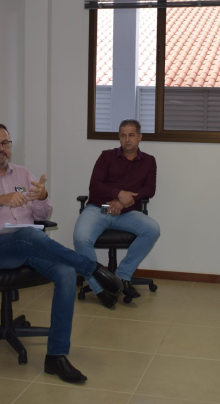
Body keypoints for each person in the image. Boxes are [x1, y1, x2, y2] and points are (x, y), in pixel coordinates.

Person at [0, 122, 122, 384]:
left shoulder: (23, 174)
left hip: (30, 245)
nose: (1, 149)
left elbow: (42, 215)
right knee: (29, 234)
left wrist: (43, 197)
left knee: (65, 272)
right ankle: (92, 268)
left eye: (5, 143)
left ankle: (55, 356)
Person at [73, 119, 160, 309]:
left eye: (131, 135)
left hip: (126, 212)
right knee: (80, 238)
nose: (127, 139)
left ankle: (122, 277)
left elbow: (149, 189)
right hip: (100, 208)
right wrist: (118, 194)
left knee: (152, 229)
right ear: (119, 137)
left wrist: (122, 202)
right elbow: (94, 185)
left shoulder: (149, 161)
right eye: (123, 135)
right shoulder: (107, 156)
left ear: (139, 137)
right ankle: (99, 288)